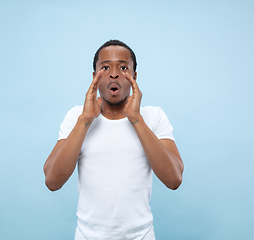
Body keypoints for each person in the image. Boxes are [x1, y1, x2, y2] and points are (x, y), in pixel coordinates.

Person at [43, 40, 184, 240]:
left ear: (134, 76)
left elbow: (174, 179)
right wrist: (85, 119)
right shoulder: (77, 116)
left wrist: (136, 119)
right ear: (95, 77)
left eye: (123, 67)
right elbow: (52, 181)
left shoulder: (154, 116)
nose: (114, 73)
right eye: (106, 67)